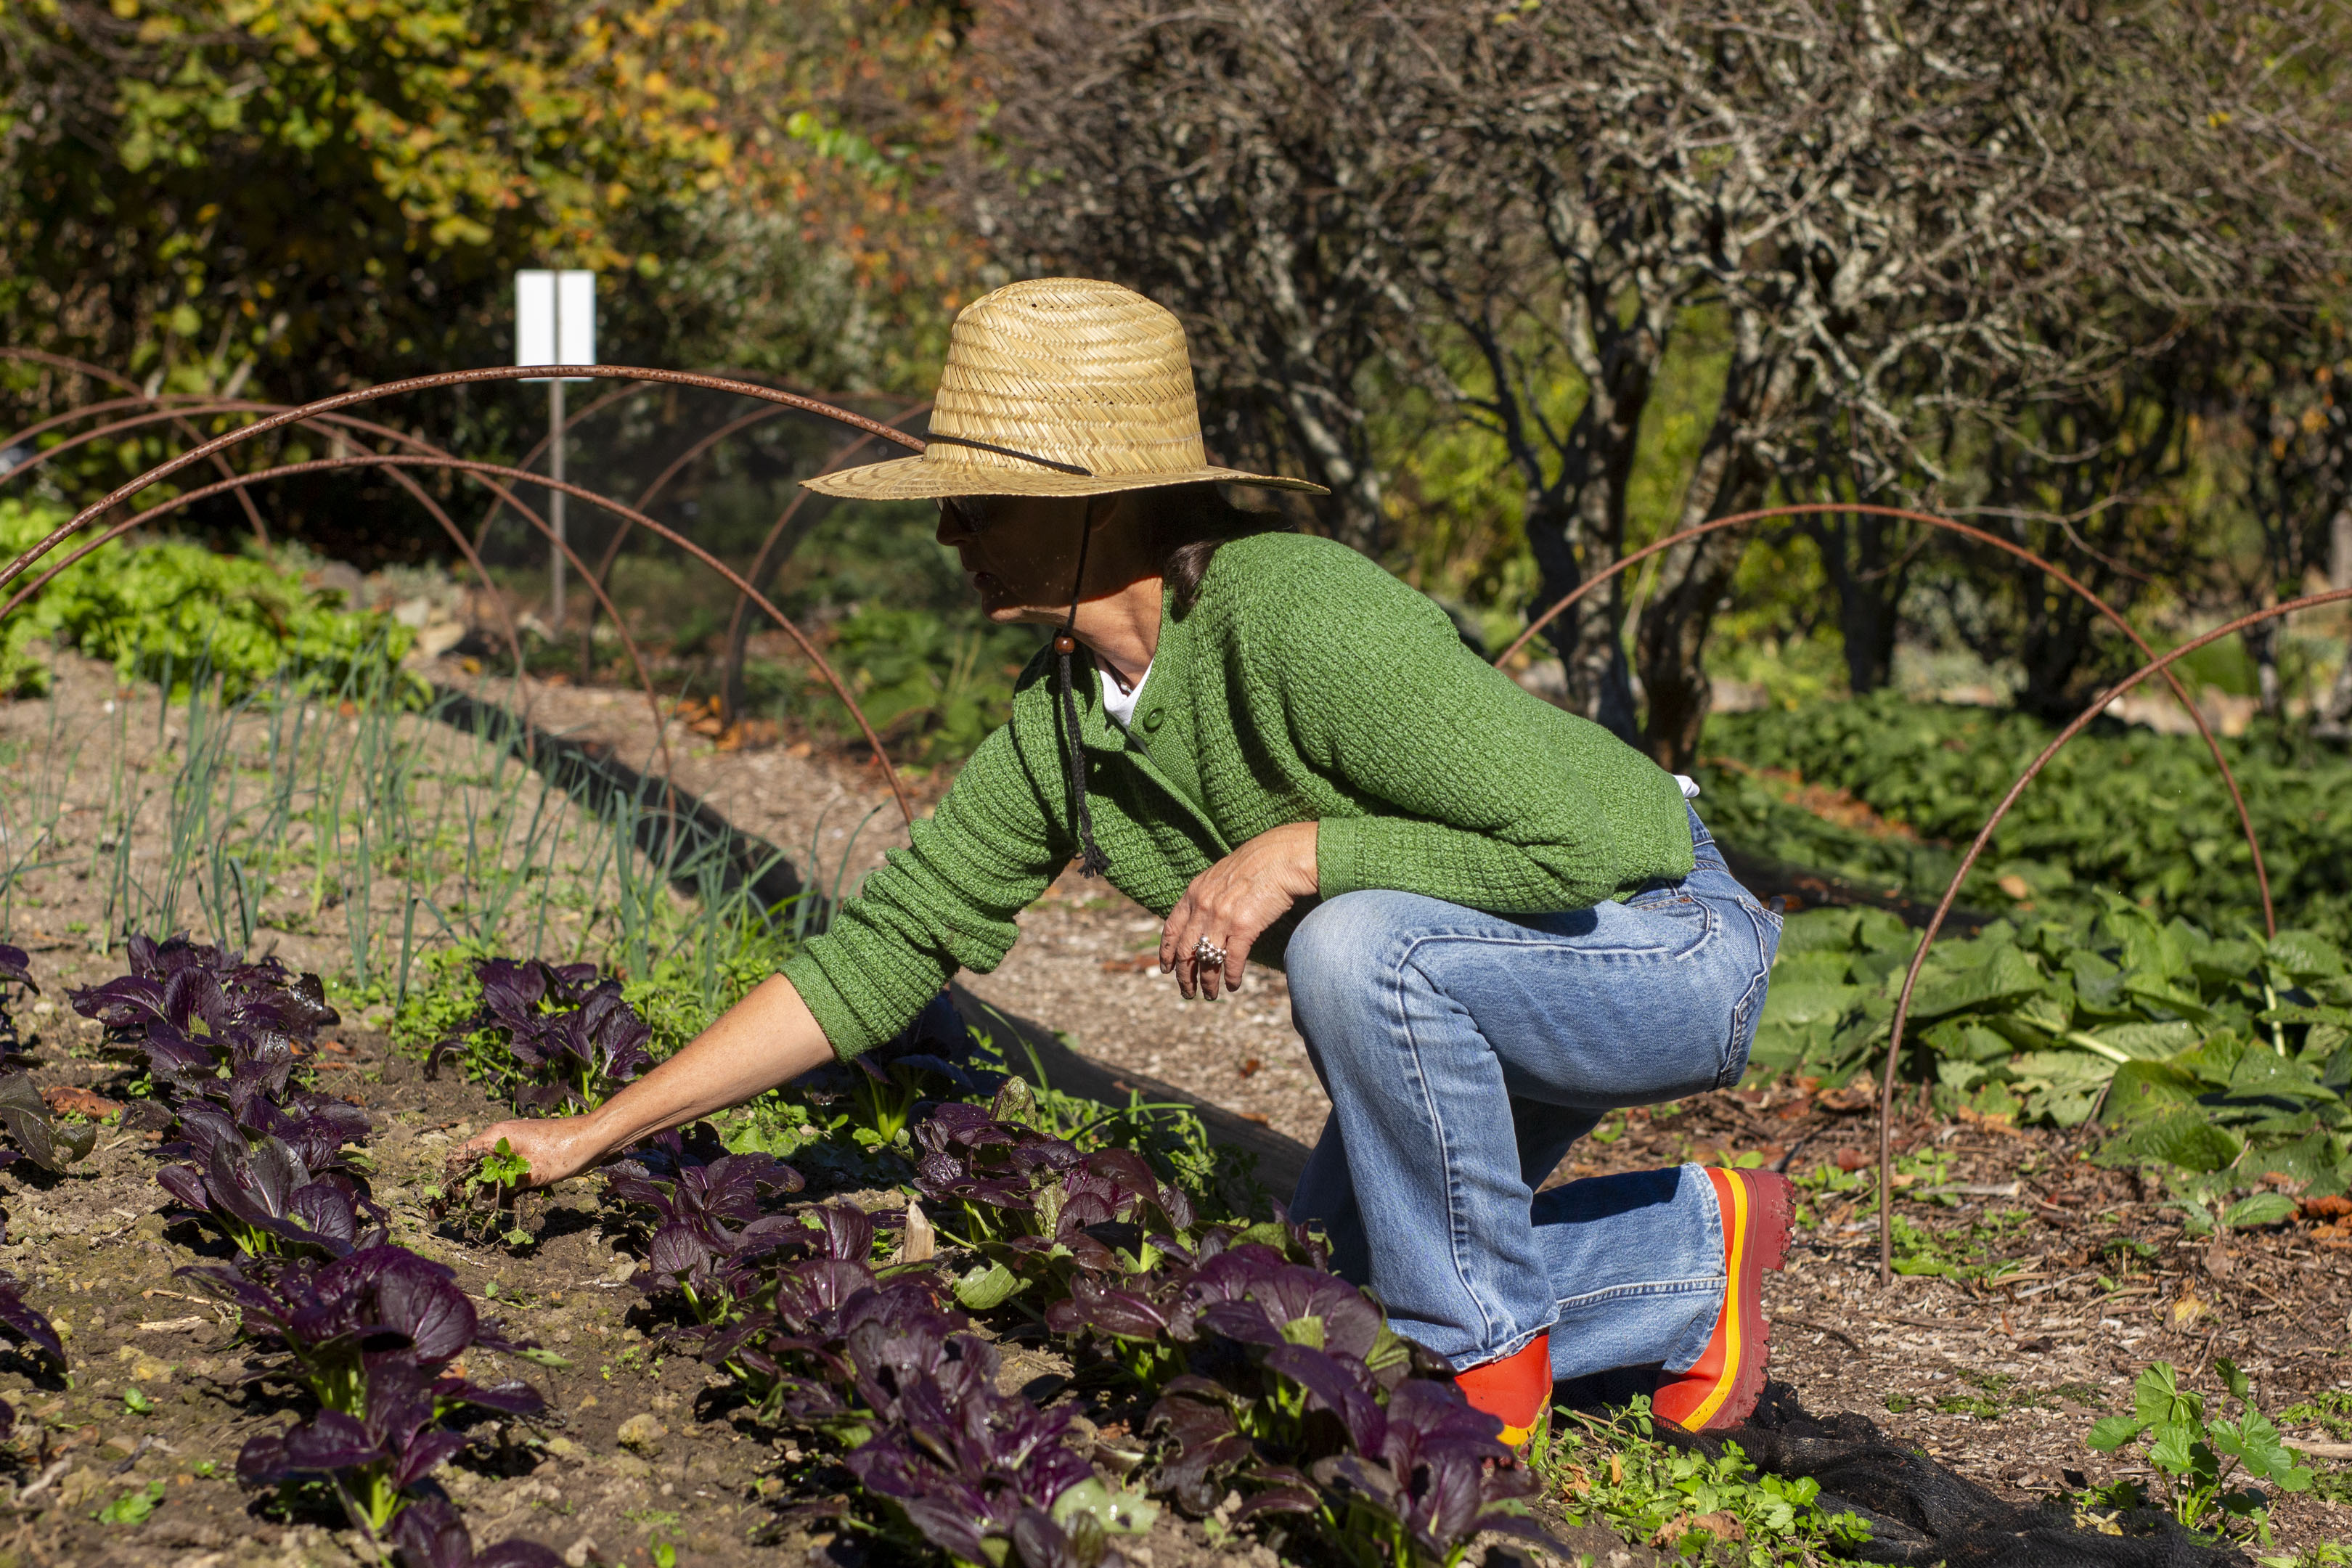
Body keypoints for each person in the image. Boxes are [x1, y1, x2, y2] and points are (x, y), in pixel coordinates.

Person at [462, 277, 1790, 1440]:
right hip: (1482, 977)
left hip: (1660, 945)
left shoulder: (1295, 611)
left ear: (1097, 504)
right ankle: (1686, 1264)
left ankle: (1480, 1376)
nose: (947, 535)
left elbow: (1615, 837)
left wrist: (1305, 850)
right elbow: (876, 955)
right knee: (1302, 1305)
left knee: (1351, 939)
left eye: (973, 502)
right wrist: (594, 1136)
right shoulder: (1064, 725)